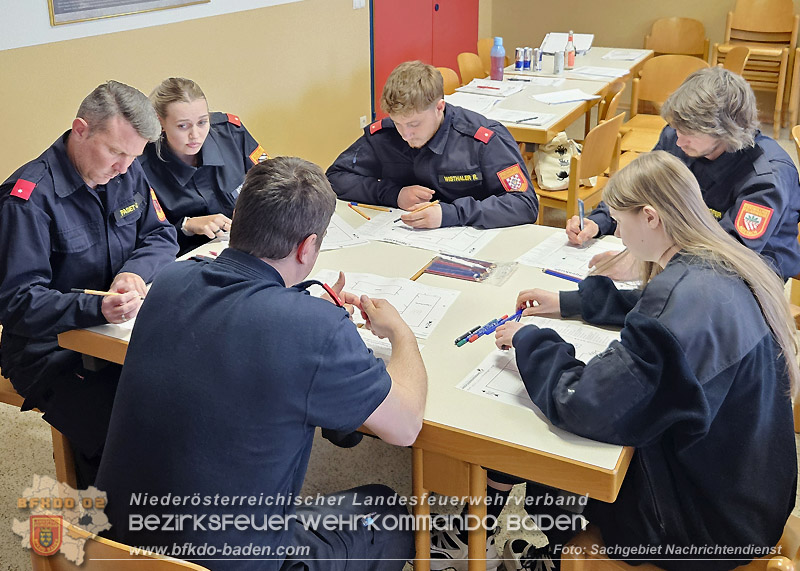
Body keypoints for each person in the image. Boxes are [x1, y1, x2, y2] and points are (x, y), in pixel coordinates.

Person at [95, 156, 428, 570]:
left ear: (239, 219)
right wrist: (401, 334)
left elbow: (230, 339)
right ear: (308, 247)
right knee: (388, 512)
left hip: (113, 553)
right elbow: (406, 425)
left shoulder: (169, 281)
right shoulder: (315, 330)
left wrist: (304, 316)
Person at [493, 151, 798, 570]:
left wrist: (531, 341)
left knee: (551, 448)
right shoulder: (722, 262)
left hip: (701, 528)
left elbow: (583, 401)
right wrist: (571, 302)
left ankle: (550, 552)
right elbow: (653, 304)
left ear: (651, 217)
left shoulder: (675, 310)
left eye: (619, 221)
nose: (617, 234)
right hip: (749, 497)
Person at [0, 81, 179, 487]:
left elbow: (161, 236)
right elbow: (17, 302)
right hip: (48, 348)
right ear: (80, 129)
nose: (124, 167)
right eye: (116, 152)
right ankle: (113, 529)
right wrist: (93, 307)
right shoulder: (28, 199)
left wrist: (134, 272)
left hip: (119, 331)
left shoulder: (127, 173)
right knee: (127, 432)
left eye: (134, 156)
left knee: (185, 396)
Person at [565, 67, 800, 281]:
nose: (678, 139)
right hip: (682, 255)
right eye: (677, 128)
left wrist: (644, 265)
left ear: (725, 130)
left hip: (750, 277)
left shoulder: (766, 177)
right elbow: (641, 188)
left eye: (688, 131)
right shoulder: (679, 140)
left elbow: (730, 255)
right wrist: (599, 221)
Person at [326, 60, 539, 229]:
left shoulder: (482, 140)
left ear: (439, 108)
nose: (406, 134)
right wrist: (394, 194)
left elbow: (524, 203)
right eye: (398, 123)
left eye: (414, 124)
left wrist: (451, 214)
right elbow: (336, 178)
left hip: (471, 241)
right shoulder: (385, 135)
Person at [142, 77, 269, 254]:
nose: (195, 135)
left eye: (202, 122)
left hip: (251, 245)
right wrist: (186, 225)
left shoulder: (231, 133)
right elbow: (142, 235)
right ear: (160, 122)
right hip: (186, 258)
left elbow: (273, 180)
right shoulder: (141, 164)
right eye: (183, 126)